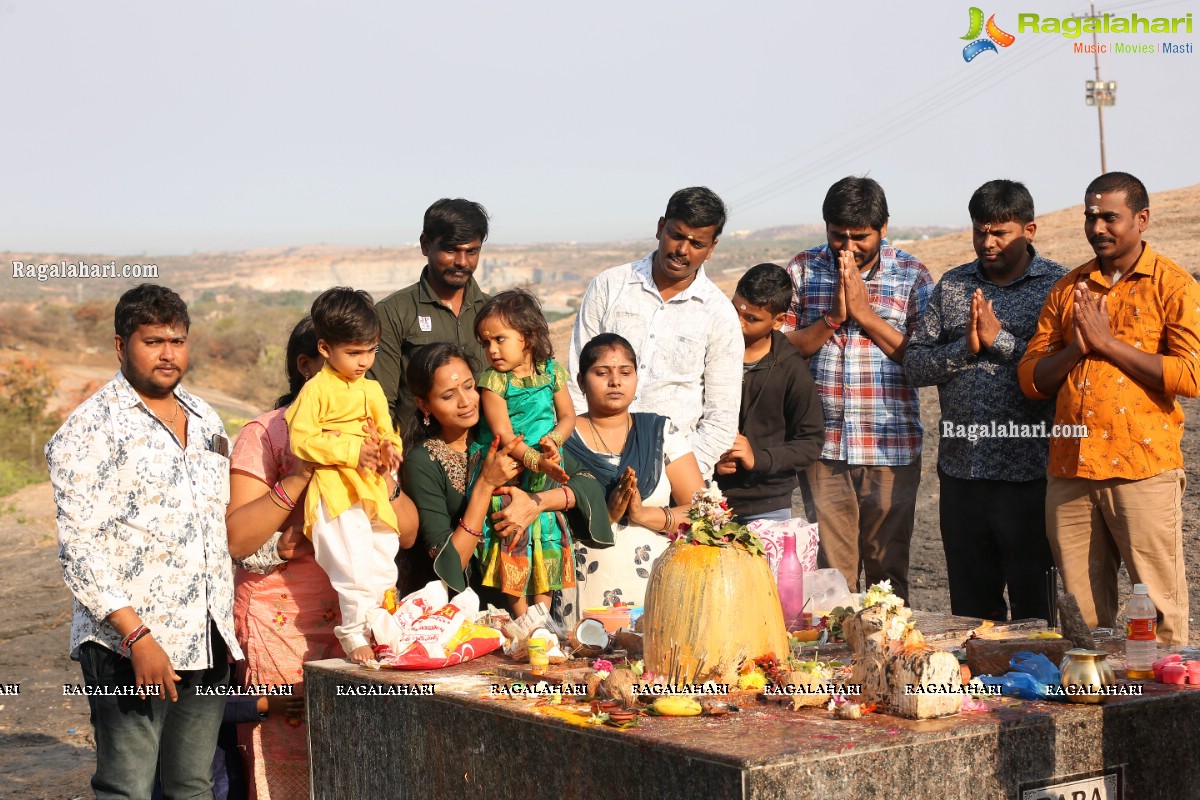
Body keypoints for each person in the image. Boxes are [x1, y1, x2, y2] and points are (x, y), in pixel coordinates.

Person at [46, 283, 242, 800]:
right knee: (127, 787)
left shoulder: (206, 421)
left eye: (177, 341)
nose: (168, 354)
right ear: (120, 345)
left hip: (206, 637)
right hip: (128, 647)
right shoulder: (88, 431)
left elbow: (218, 524)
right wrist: (138, 639)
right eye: (153, 341)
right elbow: (80, 552)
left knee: (192, 785)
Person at [226, 316, 418, 800]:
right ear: (313, 362)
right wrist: (302, 477)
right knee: (288, 754)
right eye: (349, 356)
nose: (360, 369)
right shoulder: (265, 434)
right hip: (284, 622)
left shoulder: (369, 423)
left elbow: (408, 531)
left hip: (358, 615)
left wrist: (381, 471)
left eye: (367, 355)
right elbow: (238, 540)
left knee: (358, 760)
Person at [1018, 171, 1200, 644]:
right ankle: (1092, 708)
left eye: (1110, 217)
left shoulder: (1172, 285)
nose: (1098, 227)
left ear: (1141, 220)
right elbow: (1031, 380)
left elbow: (1191, 375)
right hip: (1071, 470)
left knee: (1159, 617)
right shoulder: (1069, 289)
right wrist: (1077, 349)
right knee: (1080, 620)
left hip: (1142, 470)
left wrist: (1107, 343)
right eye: (1090, 217)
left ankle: (1166, 709)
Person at [904, 180, 1067, 622]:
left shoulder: (1059, 286)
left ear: (1029, 229)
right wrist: (965, 349)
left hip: (1029, 474)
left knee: (1037, 613)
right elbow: (914, 366)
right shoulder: (954, 285)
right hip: (962, 475)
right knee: (972, 617)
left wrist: (1002, 341)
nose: (987, 243)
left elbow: (1061, 373)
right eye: (980, 231)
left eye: (1000, 233)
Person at [782, 176, 934, 602]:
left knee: (888, 572)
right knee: (831, 578)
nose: (847, 246)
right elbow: (778, 348)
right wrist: (831, 318)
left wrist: (865, 314)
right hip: (822, 447)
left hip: (891, 446)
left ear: (883, 228)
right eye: (837, 235)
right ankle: (837, 668)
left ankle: (892, 661)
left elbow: (922, 359)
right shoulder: (802, 270)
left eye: (860, 236)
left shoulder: (912, 276)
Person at [401, 342, 611, 621]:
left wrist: (536, 504)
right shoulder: (423, 461)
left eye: (469, 386)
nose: (465, 401)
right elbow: (450, 561)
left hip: (532, 615)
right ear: (423, 404)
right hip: (461, 616)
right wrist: (485, 485)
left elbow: (586, 484)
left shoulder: (505, 434)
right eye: (448, 395)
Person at [568, 186, 743, 480]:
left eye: (697, 243)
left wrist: (676, 475)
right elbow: (577, 380)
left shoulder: (719, 314)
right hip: (593, 465)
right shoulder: (610, 286)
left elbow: (721, 416)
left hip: (673, 476)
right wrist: (585, 460)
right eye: (676, 235)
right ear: (661, 228)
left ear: (711, 248)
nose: (682, 250)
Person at [285, 287, 403, 664]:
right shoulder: (316, 390)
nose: (364, 361)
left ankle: (382, 627)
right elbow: (301, 440)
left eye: (371, 350)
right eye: (354, 353)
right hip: (335, 492)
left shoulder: (372, 389)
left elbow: (386, 429)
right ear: (325, 349)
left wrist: (389, 449)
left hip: (371, 487)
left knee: (384, 557)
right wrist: (352, 450)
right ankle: (354, 635)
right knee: (352, 564)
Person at [565, 333, 706, 615]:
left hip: (656, 592)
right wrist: (607, 517)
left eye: (625, 372)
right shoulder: (561, 439)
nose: (615, 381)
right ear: (581, 382)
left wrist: (642, 514)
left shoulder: (659, 433)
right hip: (583, 591)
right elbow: (547, 523)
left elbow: (705, 512)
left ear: (636, 378)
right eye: (601, 372)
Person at [471, 290, 577, 615]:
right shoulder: (493, 382)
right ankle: (521, 619)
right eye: (486, 343)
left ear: (528, 337)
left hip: (544, 469)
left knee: (544, 535)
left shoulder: (551, 371)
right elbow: (504, 435)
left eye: (500, 339)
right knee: (513, 539)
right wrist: (538, 461)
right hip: (508, 471)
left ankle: (541, 620)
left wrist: (553, 442)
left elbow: (569, 417)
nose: (492, 350)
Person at [715, 263, 824, 524]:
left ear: (778, 321)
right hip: (703, 498)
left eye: (752, 319)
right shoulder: (708, 354)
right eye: (735, 310)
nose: (739, 324)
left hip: (766, 507)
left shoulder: (791, 369)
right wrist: (709, 460)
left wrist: (759, 459)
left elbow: (810, 442)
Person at [370, 198, 492, 429]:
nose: (462, 262)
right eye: (451, 250)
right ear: (425, 245)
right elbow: (381, 403)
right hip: (415, 455)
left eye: (472, 251)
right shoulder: (393, 312)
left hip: (488, 454)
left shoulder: (494, 313)